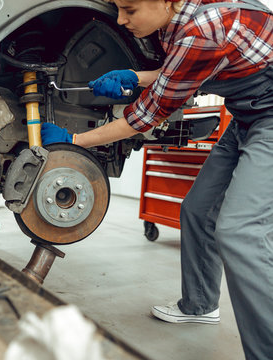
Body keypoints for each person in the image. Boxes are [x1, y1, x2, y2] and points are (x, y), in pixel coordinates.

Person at [40, 0, 273, 359]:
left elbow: (144, 117)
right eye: (118, 6)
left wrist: (74, 141)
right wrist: (136, 77)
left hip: (268, 118)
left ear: (169, 1)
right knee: (197, 210)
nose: (121, 19)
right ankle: (199, 305)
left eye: (130, 9)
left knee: (241, 231)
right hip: (247, 116)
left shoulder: (205, 28)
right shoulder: (175, 23)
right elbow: (191, 73)